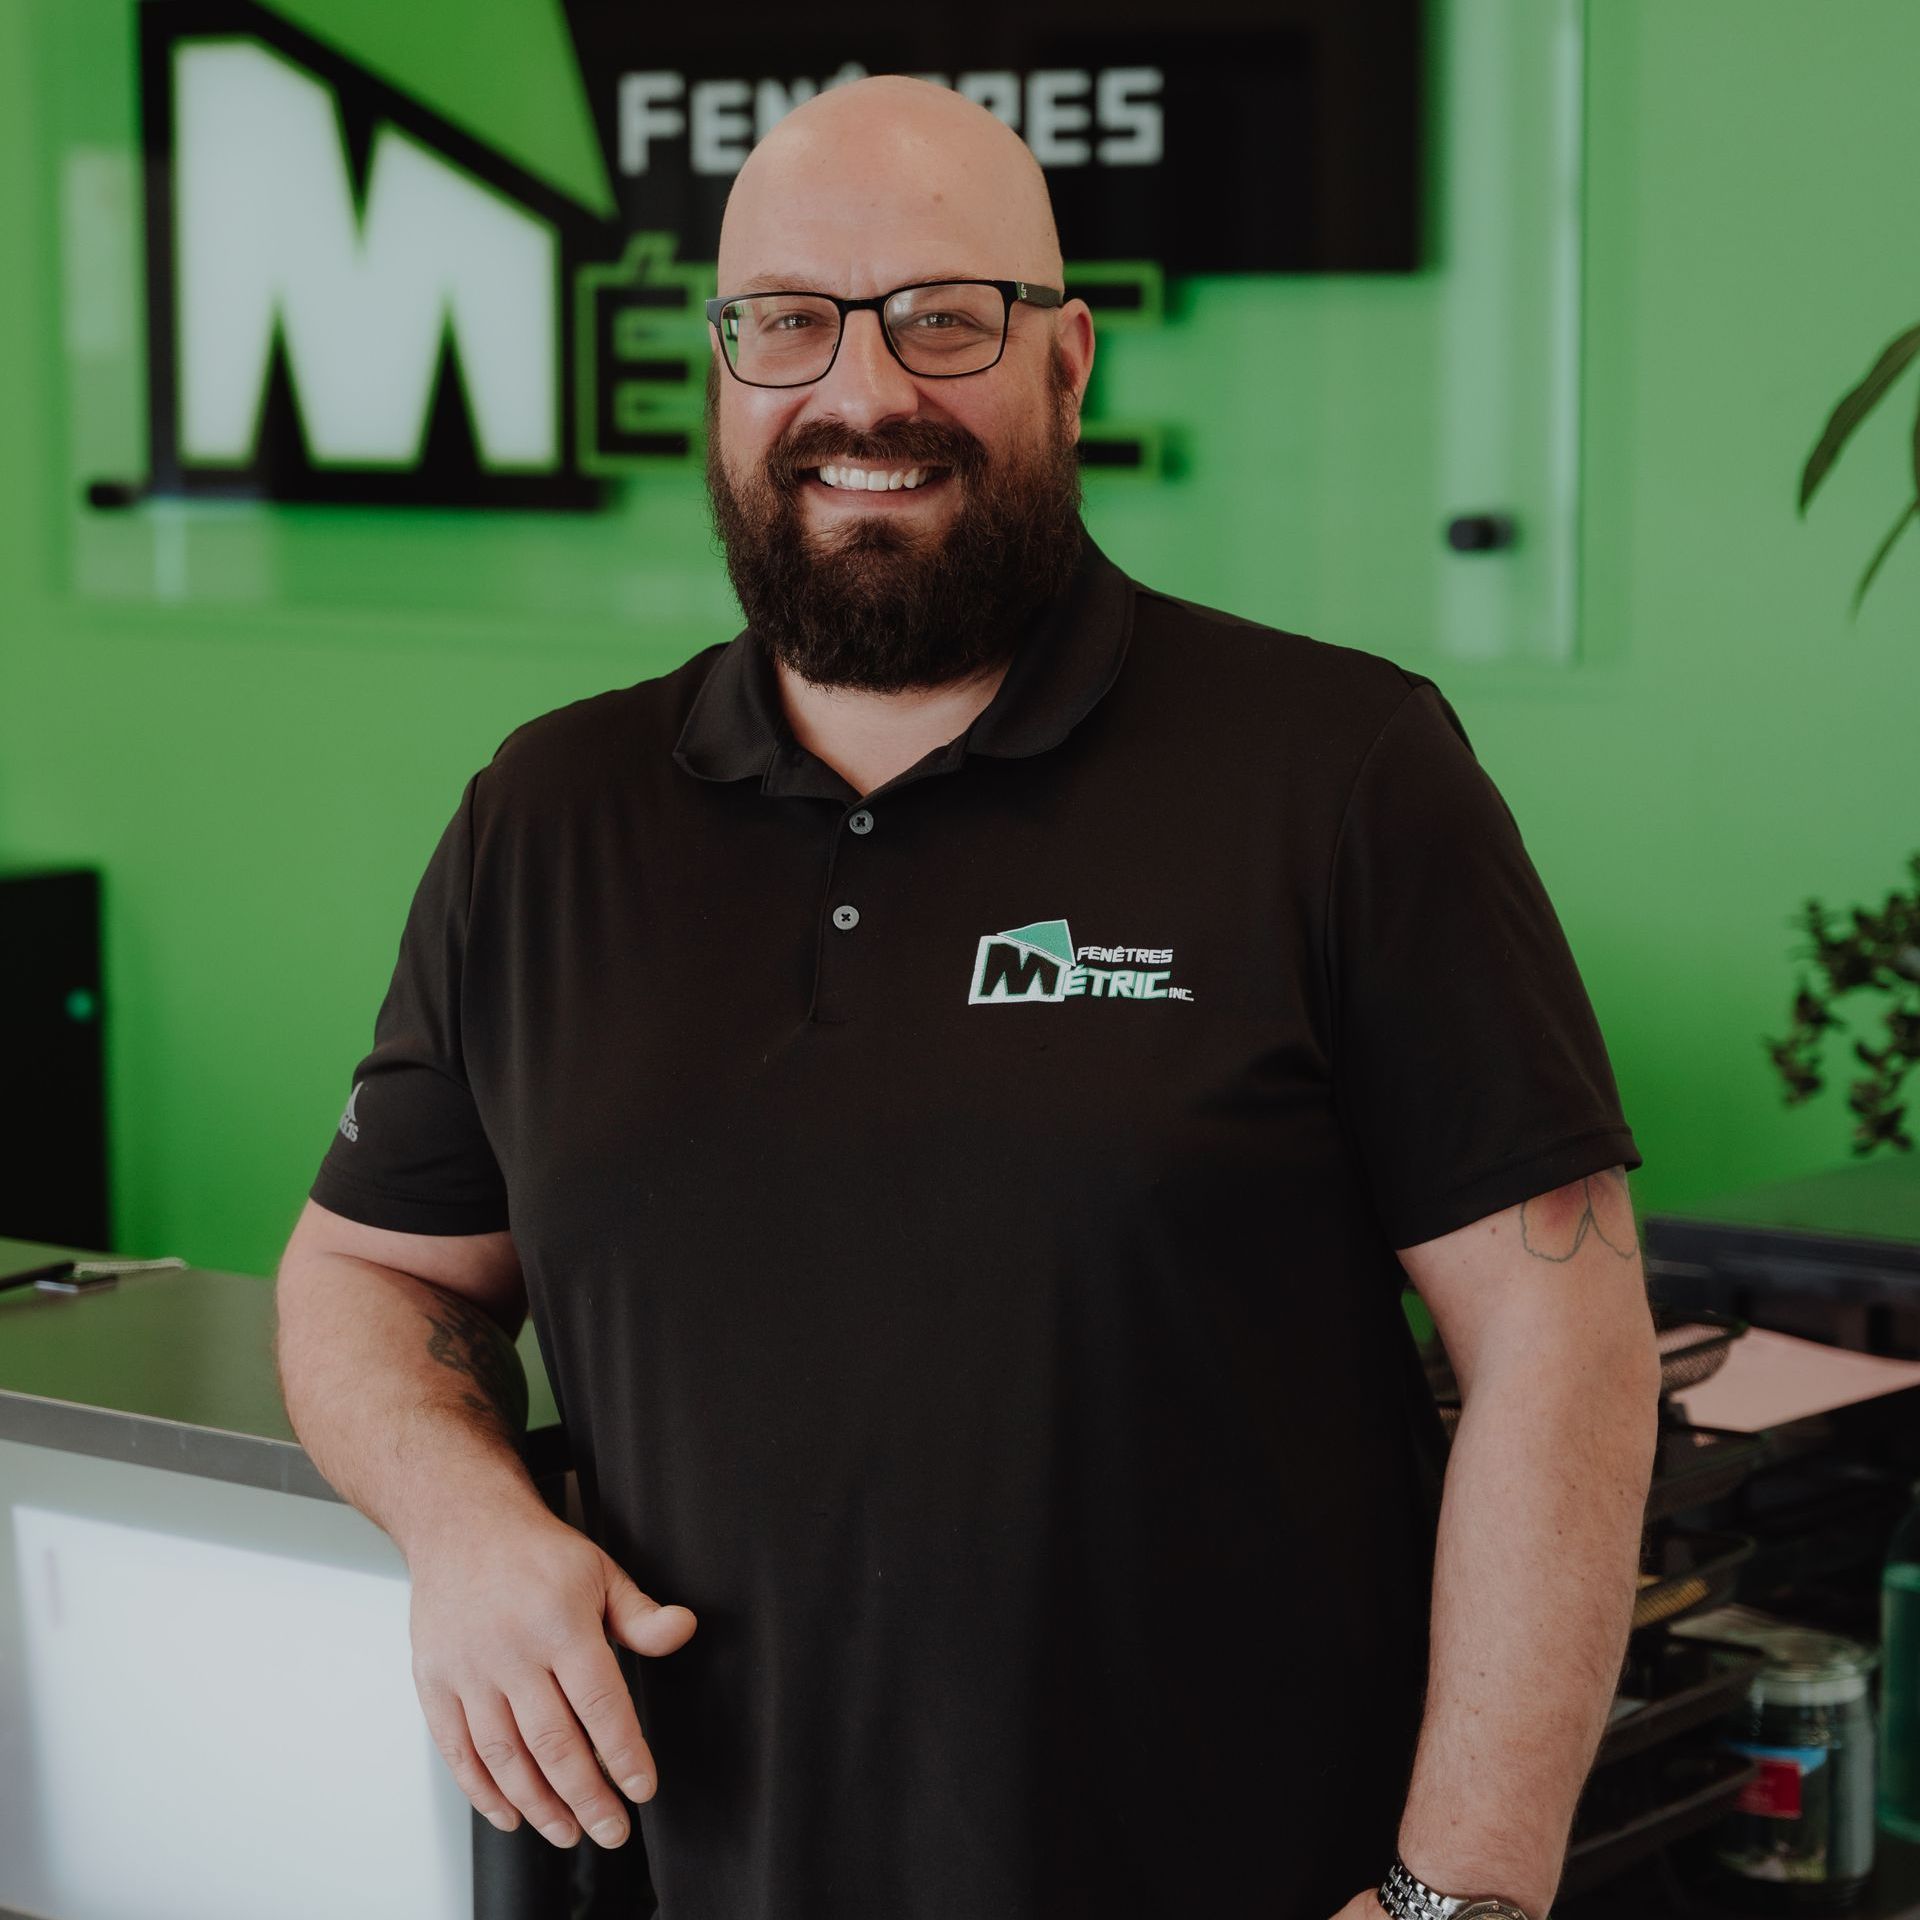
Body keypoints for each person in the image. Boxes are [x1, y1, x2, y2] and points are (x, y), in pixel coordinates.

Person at [274, 73, 1662, 1920]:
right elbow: (370, 1271)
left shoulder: (1340, 775)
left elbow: (1564, 1345)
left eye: (944, 319)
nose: (862, 394)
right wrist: (461, 1522)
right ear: (721, 370)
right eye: (788, 323)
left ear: (1067, 362)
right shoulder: (545, 816)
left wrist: (1461, 1895)